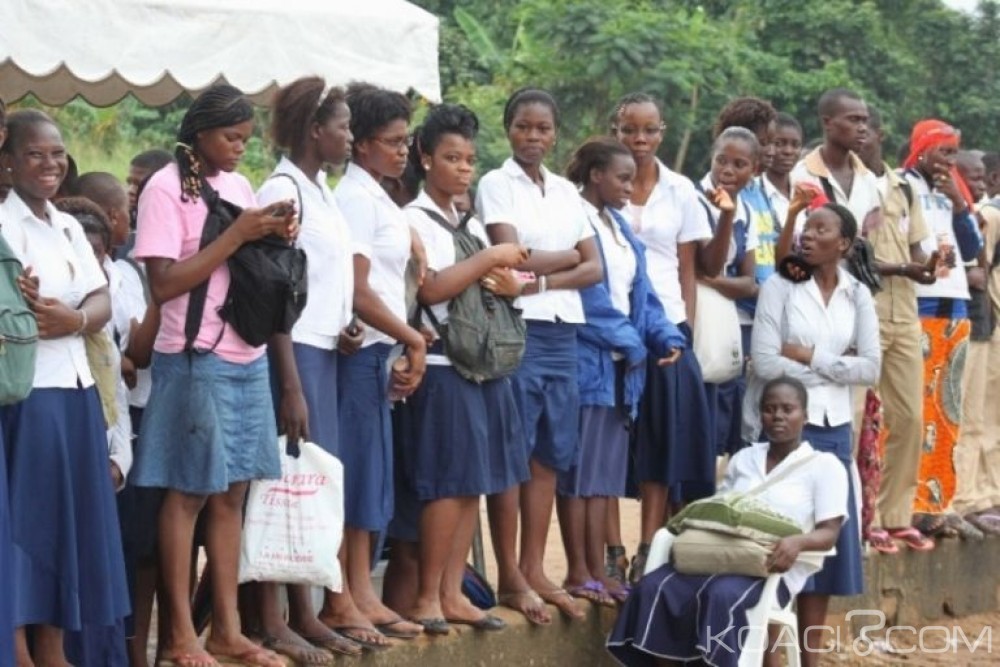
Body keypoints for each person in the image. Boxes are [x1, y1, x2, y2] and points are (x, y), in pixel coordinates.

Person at [132, 84, 295, 667]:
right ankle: (179, 638)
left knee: (232, 495)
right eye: (231, 138)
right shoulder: (163, 189)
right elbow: (164, 284)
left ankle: (226, 630)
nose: (239, 150)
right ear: (199, 133)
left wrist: (273, 237)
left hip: (245, 356)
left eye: (247, 140)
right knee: (187, 496)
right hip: (194, 357)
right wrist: (238, 235)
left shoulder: (238, 186)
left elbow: (242, 264)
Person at [0, 109, 130, 667]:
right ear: (7, 163)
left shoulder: (69, 224)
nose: (49, 164)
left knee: (70, 528)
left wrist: (72, 320)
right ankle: (20, 650)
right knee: (29, 526)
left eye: (57, 154)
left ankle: (56, 648)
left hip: (78, 391)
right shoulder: (5, 226)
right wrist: (33, 309)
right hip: (32, 395)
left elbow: (102, 299)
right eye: (34, 154)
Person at [245, 76, 368, 662]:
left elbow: (323, 279)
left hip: (325, 349)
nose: (349, 135)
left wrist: (345, 324)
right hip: (291, 355)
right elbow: (273, 293)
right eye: (342, 125)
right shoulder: (282, 189)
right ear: (314, 130)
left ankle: (306, 610)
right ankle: (274, 619)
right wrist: (290, 382)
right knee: (282, 485)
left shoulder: (320, 189)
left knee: (312, 485)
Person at [395, 103, 528, 633]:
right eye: (452, 157)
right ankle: (427, 596)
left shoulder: (466, 220)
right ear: (425, 159)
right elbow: (430, 288)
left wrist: (508, 279)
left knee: (472, 482)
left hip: (483, 366)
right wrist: (491, 258)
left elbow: (492, 283)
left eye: (470, 159)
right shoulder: (413, 219)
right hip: (444, 364)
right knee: (446, 485)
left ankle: (453, 592)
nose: (464, 168)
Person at [607, 376, 848, 667]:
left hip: (768, 568)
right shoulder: (744, 458)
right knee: (653, 587)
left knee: (720, 595)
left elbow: (830, 532)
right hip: (719, 556)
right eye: (770, 409)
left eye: (788, 409)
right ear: (760, 415)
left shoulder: (824, 466)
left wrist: (797, 542)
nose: (778, 416)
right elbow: (719, 509)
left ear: (805, 415)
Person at [476, 87, 603, 622]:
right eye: (524, 127)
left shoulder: (567, 192)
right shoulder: (493, 183)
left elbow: (593, 266)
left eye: (543, 128)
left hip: (561, 334)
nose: (533, 137)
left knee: (549, 453)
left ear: (555, 133)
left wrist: (535, 279)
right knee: (513, 450)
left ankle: (534, 568)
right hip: (516, 332)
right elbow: (510, 253)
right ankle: (508, 574)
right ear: (508, 129)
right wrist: (560, 263)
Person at [748, 201, 878, 661]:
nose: (806, 234)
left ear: (843, 244)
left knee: (823, 543)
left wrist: (809, 358)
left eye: (820, 229)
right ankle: (766, 652)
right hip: (782, 429)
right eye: (805, 226)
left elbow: (871, 368)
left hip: (833, 428)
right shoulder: (779, 288)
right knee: (773, 537)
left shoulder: (857, 293)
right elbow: (765, 362)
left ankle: (810, 656)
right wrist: (834, 368)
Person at [558, 137, 685, 606]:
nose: (631, 187)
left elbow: (642, 295)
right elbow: (589, 302)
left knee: (603, 478)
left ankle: (598, 571)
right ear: (596, 175)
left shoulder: (618, 228)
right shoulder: (576, 220)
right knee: (580, 475)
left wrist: (665, 336)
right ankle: (580, 570)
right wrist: (633, 343)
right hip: (590, 362)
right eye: (622, 178)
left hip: (622, 371)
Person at [333, 83, 427, 641]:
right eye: (392, 142)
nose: (401, 151)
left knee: (373, 476)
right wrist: (411, 338)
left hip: (379, 350)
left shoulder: (378, 196)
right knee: (356, 474)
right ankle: (347, 594)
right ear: (362, 144)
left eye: (405, 140)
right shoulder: (354, 198)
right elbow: (358, 289)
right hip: (359, 350)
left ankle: (360, 588)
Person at [609, 92, 715, 583]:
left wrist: (684, 330)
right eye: (630, 130)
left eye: (649, 130)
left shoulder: (681, 190)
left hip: (668, 326)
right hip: (613, 326)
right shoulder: (598, 185)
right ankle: (609, 551)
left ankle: (649, 550)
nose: (640, 139)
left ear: (662, 132)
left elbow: (688, 268)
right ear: (616, 131)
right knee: (610, 443)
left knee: (662, 443)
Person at [75, 172, 166, 665]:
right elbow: (121, 350)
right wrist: (122, 356)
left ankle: (129, 650)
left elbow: (134, 350)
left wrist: (123, 355)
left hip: (127, 424)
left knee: (133, 546)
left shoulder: (126, 273)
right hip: (104, 414)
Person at [853, 107, 937, 553]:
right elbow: (856, 255)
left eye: (868, 129)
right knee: (859, 421)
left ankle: (895, 515)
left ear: (881, 134)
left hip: (904, 312)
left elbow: (919, 245)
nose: (862, 136)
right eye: (855, 127)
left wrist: (927, 264)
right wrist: (906, 265)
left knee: (910, 417)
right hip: (862, 312)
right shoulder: (847, 184)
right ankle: (860, 518)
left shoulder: (903, 187)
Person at [900, 120, 984, 539]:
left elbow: (972, 251)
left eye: (954, 153)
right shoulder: (903, 186)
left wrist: (958, 204)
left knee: (947, 409)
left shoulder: (954, 193)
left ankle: (937, 502)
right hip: (918, 304)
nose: (949, 161)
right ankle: (907, 504)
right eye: (943, 152)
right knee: (915, 410)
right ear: (922, 150)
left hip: (956, 307)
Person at [697, 127, 760, 457]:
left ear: (754, 170)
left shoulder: (746, 211)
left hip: (727, 324)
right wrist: (718, 279)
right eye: (722, 160)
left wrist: (713, 281)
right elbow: (710, 263)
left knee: (724, 417)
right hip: (696, 318)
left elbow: (748, 283)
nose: (728, 170)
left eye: (739, 164)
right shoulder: (693, 198)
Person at [952, 151, 1000, 534]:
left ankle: (986, 495)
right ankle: (965, 497)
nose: (980, 185)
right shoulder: (987, 216)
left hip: (988, 322)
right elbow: (980, 273)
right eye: (975, 178)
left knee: (987, 416)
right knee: (968, 415)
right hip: (972, 321)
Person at [788, 88, 881, 239]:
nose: (863, 128)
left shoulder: (868, 179)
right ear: (827, 122)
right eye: (854, 120)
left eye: (864, 121)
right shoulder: (800, 175)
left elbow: (868, 242)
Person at [763, 113, 804, 229]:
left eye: (795, 145)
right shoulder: (753, 191)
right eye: (779, 144)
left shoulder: (804, 192)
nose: (788, 151)